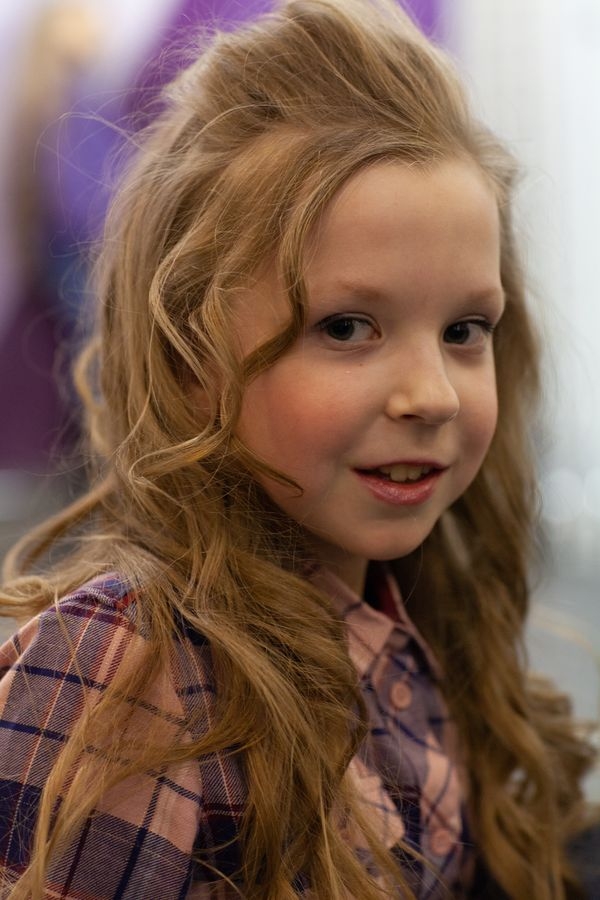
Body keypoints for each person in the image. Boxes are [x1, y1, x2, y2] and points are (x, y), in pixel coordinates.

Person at [0, 1, 597, 897]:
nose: (433, 394)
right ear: (190, 359)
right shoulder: (127, 673)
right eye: (348, 327)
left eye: (464, 330)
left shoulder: (420, 631)